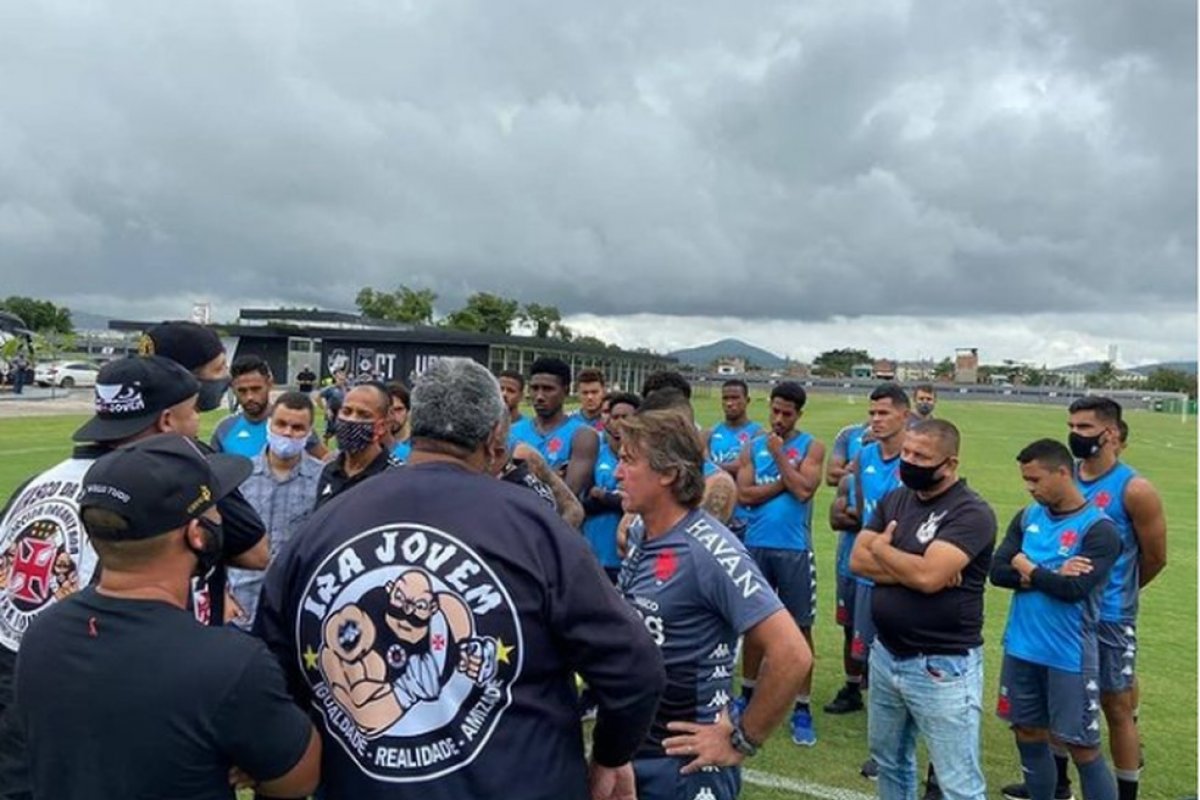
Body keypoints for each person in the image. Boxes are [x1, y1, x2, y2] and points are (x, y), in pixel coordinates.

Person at [253, 357, 665, 800]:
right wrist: (610, 757)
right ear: (494, 437)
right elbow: (634, 666)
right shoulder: (534, 528)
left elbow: (265, 673)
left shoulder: (324, 525)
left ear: (413, 424)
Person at [0, 357, 269, 799]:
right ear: (166, 421)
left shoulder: (35, 484)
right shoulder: (144, 504)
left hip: (26, 719)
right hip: (99, 730)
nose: (197, 426)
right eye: (192, 412)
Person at [16, 434, 320, 799]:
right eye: (214, 510)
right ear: (197, 534)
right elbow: (298, 779)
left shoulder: (42, 634)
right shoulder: (230, 664)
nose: (221, 518)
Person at [615, 409, 810, 800]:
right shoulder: (640, 533)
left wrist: (742, 740)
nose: (617, 473)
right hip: (635, 748)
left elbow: (793, 654)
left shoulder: (710, 551)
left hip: (684, 767)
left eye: (629, 461)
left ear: (668, 474)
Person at [1001, 400, 1166, 800]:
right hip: (1055, 613)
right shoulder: (1059, 478)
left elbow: (1155, 557)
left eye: (1084, 426)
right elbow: (1006, 564)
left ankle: (1126, 792)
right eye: (1071, 425)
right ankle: (1056, 784)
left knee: (1116, 705)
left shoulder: (1134, 488)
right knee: (1055, 709)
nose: (1075, 433)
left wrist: (1111, 592)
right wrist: (1049, 578)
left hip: (1108, 615)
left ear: (1110, 433)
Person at [850, 419, 997, 800]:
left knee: (958, 782)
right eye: (907, 452)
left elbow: (927, 576)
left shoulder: (971, 512)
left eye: (921, 456)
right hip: (886, 655)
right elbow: (858, 561)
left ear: (950, 464)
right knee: (890, 761)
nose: (909, 461)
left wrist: (884, 549)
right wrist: (913, 569)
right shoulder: (896, 499)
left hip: (941, 665)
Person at [991, 438, 1122, 800]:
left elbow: (1073, 590)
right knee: (1027, 733)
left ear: (1063, 473)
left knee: (1081, 747)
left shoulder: (1099, 530)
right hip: (1020, 648)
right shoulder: (1027, 517)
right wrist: (1049, 573)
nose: (1029, 488)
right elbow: (997, 572)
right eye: (1026, 480)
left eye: (1035, 479)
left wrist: (1028, 566)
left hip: (1068, 657)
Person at [733, 381, 825, 746]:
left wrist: (780, 457)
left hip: (794, 549)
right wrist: (787, 478)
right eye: (775, 411)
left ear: (799, 414)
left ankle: (802, 708)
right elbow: (745, 494)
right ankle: (747, 693)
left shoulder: (812, 446)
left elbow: (804, 491)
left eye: (787, 414)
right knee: (754, 625)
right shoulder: (752, 446)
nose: (779, 419)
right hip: (755, 546)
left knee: (800, 627)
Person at [837, 384, 909, 776]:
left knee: (901, 665)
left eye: (883, 413)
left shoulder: (915, 458)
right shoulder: (864, 455)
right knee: (875, 667)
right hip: (866, 574)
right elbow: (865, 514)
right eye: (872, 413)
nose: (875, 420)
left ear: (904, 415)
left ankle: (897, 754)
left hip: (900, 577)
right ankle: (883, 752)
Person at [228, 392, 324, 628]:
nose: (287, 433)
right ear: (269, 424)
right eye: (281, 424)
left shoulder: (323, 480)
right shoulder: (240, 477)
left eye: (297, 427)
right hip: (241, 606)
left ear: (309, 432)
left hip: (292, 608)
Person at [824, 415, 872, 715]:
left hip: (880, 569)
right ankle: (852, 687)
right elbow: (836, 519)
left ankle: (880, 688)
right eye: (865, 445)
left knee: (883, 632)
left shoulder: (897, 481)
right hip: (849, 563)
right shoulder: (849, 481)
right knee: (849, 628)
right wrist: (870, 519)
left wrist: (861, 517)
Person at [509, 358, 598, 496]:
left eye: (548, 389)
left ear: (566, 391)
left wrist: (522, 476)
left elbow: (568, 495)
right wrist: (552, 478)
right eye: (534, 388)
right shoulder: (512, 432)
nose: (539, 396)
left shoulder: (583, 436)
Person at [210, 355, 326, 460]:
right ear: (233, 389)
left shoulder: (293, 426)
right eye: (242, 391)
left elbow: (325, 461)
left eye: (256, 389)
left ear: (269, 384)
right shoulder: (224, 429)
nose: (250, 397)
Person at [582, 391, 641, 582]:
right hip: (593, 554)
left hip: (627, 556)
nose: (619, 422)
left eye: (626, 417)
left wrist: (603, 496)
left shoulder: (644, 457)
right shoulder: (595, 454)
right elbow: (584, 502)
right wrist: (616, 499)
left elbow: (639, 505)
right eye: (615, 417)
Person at [315, 382, 399, 509]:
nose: (351, 419)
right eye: (346, 412)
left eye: (363, 415)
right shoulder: (329, 471)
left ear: (381, 427)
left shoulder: (395, 477)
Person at [705, 379, 762, 476]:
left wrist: (711, 466)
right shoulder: (709, 434)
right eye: (725, 398)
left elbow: (744, 467)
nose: (729, 403)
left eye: (735, 398)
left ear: (747, 400)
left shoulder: (758, 434)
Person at [316, 368, 349, 446]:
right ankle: (324, 444)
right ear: (336, 378)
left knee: (341, 429)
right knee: (330, 431)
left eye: (343, 379)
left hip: (342, 412)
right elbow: (318, 397)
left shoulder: (347, 389)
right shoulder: (330, 389)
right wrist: (325, 409)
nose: (341, 381)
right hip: (331, 412)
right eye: (340, 379)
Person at [385, 380, 412, 462]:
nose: (392, 415)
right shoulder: (372, 447)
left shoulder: (419, 445)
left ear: (408, 411)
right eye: (387, 410)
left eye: (398, 409)